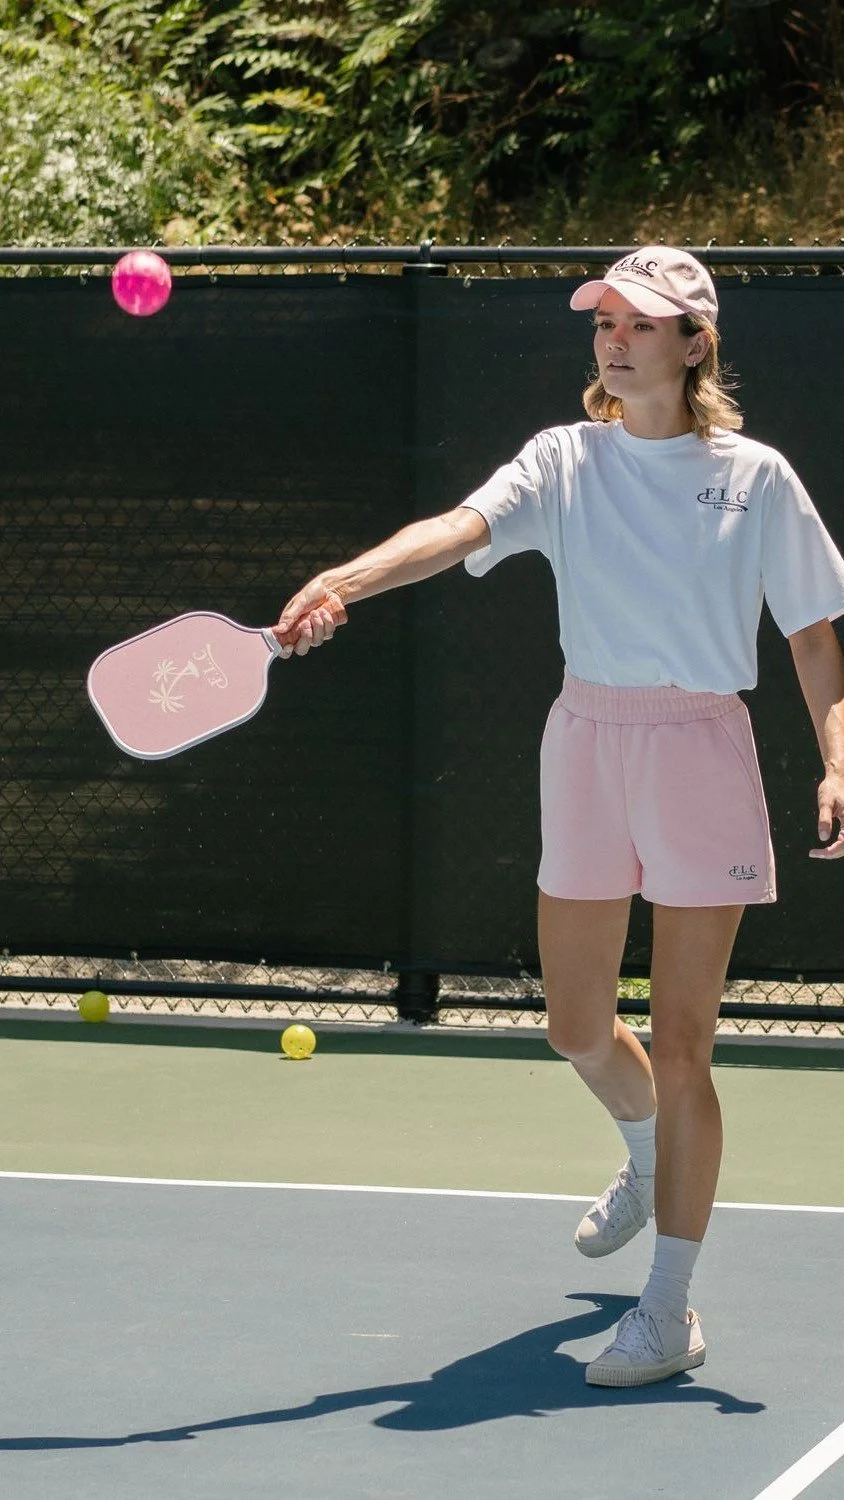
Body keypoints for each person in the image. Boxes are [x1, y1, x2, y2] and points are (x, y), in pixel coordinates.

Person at [272, 246, 844, 1388]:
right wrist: (346, 579)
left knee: (683, 1044)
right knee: (576, 1027)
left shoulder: (756, 478)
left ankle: (670, 1307)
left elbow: (815, 634)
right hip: (585, 742)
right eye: (604, 321)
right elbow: (454, 529)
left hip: (698, 749)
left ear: (693, 345)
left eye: (639, 323)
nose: (613, 338)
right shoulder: (561, 460)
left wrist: (838, 757)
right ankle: (643, 1153)